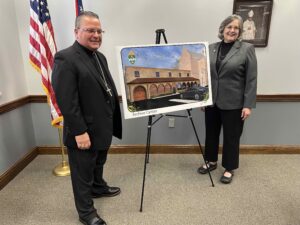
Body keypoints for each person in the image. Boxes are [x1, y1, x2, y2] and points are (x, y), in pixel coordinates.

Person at [52, 11, 122, 225]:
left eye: (99, 31)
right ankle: (86, 213)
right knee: (82, 174)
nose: (96, 35)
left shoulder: (99, 56)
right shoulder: (66, 58)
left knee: (99, 162)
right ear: (76, 32)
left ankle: (98, 187)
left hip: (102, 125)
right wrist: (80, 132)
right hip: (83, 130)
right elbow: (67, 101)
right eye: (90, 30)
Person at [197, 15, 257, 184]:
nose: (232, 30)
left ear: (239, 31)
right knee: (211, 133)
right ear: (222, 29)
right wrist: (204, 98)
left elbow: (251, 79)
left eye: (236, 28)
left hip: (234, 103)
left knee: (232, 136)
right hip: (212, 102)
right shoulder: (211, 48)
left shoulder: (246, 49)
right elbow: (205, 75)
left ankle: (229, 168)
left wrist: (248, 105)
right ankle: (211, 161)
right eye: (229, 27)